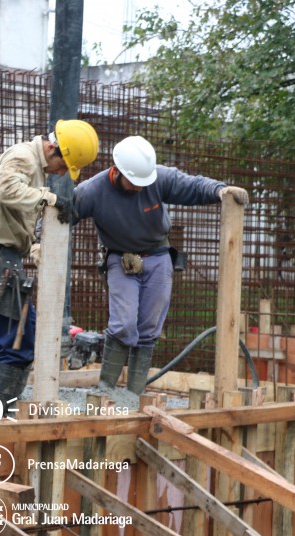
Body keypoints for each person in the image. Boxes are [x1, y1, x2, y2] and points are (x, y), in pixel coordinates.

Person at [73, 135, 248, 394]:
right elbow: (63, 211)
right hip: (120, 258)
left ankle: (134, 394)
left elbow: (192, 185)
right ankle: (105, 389)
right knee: (123, 324)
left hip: (157, 256)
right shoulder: (92, 191)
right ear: (118, 171)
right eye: (134, 182)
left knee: (149, 327)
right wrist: (40, 241)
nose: (140, 187)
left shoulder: (156, 177)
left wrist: (221, 190)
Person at [0, 119, 99, 411]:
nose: (61, 173)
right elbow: (5, 190)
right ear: (53, 148)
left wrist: (38, 250)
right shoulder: (23, 157)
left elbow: (18, 219)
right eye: (64, 166)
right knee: (17, 346)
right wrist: (49, 199)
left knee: (19, 342)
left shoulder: (34, 168)